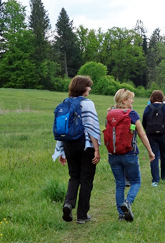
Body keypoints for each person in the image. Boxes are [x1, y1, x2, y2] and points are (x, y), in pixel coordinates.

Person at [52, 75, 101, 224]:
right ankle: (82, 215)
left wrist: (60, 150)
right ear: (83, 87)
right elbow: (92, 128)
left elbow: (62, 129)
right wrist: (97, 149)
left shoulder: (65, 103)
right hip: (85, 145)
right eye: (88, 86)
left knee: (74, 177)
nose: (90, 89)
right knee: (86, 179)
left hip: (68, 145)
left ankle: (68, 203)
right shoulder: (87, 104)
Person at [107, 88, 155, 222]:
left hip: (113, 154)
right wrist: (150, 151)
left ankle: (121, 215)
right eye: (130, 99)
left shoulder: (110, 113)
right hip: (129, 154)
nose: (133, 101)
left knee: (119, 184)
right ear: (124, 100)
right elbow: (142, 134)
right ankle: (127, 202)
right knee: (136, 181)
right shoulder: (132, 114)